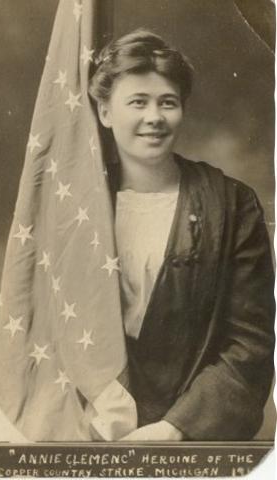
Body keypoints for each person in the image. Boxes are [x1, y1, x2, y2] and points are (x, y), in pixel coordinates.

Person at [88, 29, 275, 441]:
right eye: (137, 102)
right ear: (104, 112)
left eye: (167, 102)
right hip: (82, 429)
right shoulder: (77, 211)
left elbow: (250, 344)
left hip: (189, 435)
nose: (154, 117)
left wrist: (175, 429)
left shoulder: (230, 204)